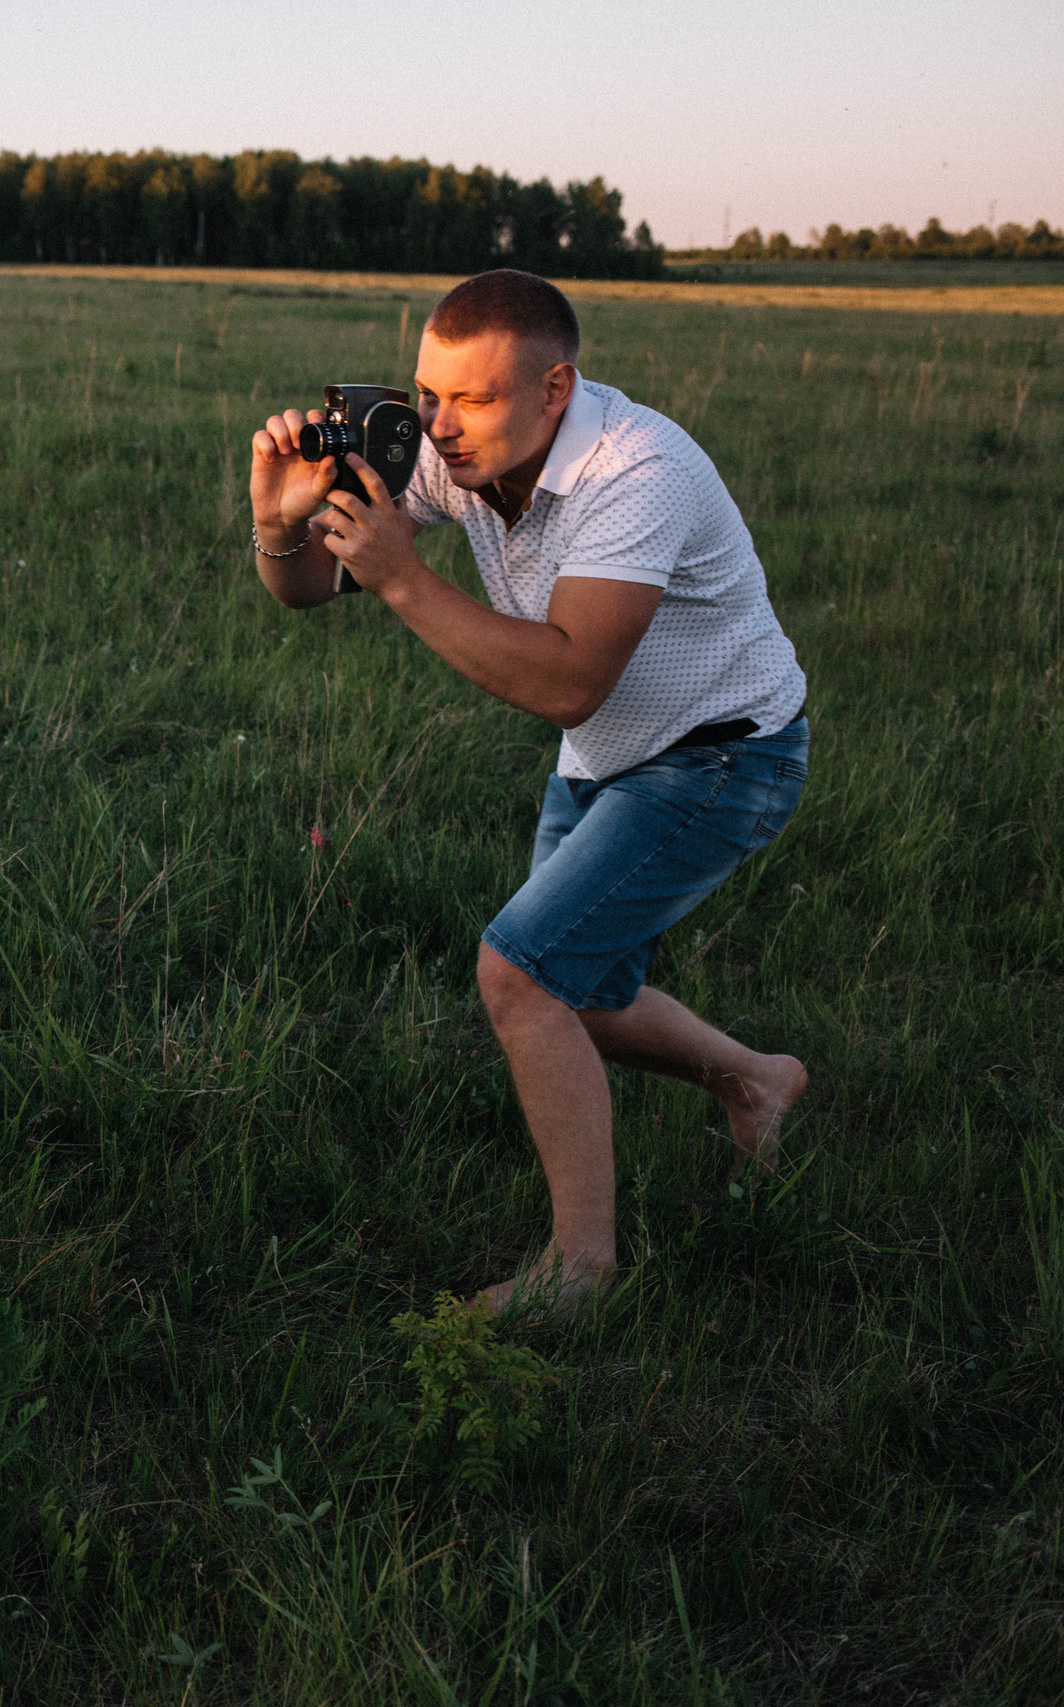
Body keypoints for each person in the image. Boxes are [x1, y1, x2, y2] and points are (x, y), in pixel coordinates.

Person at [245, 269, 810, 1315]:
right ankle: (757, 1081)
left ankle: (580, 1273)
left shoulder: (636, 471)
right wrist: (278, 519)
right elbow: (307, 589)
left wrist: (405, 577)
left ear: (556, 390)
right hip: (607, 751)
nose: (438, 426)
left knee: (521, 975)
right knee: (581, 992)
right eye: (427, 394)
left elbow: (566, 682)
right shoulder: (454, 454)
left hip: (726, 754)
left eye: (474, 398)